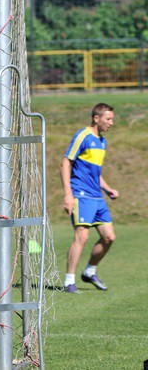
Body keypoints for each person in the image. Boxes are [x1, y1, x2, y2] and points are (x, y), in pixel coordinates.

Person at [61, 102, 118, 293]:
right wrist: (68, 194)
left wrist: (108, 189)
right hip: (81, 195)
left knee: (109, 237)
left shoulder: (102, 142)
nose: (111, 123)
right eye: (108, 119)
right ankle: (69, 281)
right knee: (82, 236)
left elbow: (95, 173)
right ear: (96, 118)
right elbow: (65, 163)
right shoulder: (83, 136)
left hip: (97, 197)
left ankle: (89, 271)